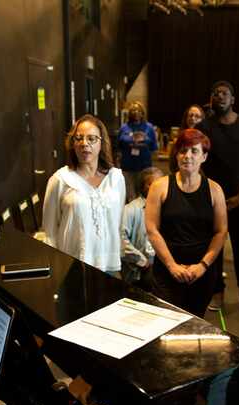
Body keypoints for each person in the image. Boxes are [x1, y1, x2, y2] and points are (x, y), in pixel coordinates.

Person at [195, 81, 239, 313]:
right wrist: (213, 193)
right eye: (216, 93)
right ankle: (217, 291)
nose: (220, 96)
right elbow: (198, 161)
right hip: (213, 200)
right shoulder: (205, 126)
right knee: (215, 248)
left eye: (225, 93)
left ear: (233, 99)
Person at [146, 128, 228, 317]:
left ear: (204, 157)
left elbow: (220, 232)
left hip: (201, 273)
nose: (187, 156)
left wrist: (202, 266)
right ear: (176, 155)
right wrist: (172, 265)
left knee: (194, 323)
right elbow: (152, 229)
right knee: (165, 323)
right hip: (167, 271)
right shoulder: (160, 187)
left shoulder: (215, 190)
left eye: (194, 151)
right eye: (182, 151)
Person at [43, 115, 126, 274]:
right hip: (72, 266)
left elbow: (118, 223)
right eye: (79, 138)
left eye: (92, 138)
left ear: (102, 142)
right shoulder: (60, 180)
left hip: (109, 267)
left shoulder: (116, 178)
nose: (84, 144)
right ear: (72, 144)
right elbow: (50, 232)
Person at [121, 167, 162, 287]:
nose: (158, 187)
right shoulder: (130, 210)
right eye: (152, 183)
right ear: (143, 186)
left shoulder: (167, 209)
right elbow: (121, 241)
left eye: (161, 183)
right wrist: (143, 262)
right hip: (138, 272)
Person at [118, 101, 159, 203]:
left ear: (142, 112)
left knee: (144, 195)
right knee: (130, 196)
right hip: (128, 166)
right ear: (129, 113)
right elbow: (119, 146)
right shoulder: (124, 127)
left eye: (138, 110)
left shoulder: (149, 127)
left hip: (144, 165)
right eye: (133, 110)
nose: (135, 112)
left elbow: (154, 146)